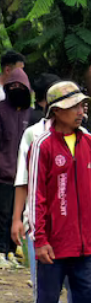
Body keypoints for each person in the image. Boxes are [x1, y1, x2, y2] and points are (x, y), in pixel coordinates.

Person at [11, 78, 91, 303]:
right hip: (51, 240)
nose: (80, 112)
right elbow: (35, 193)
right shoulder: (39, 143)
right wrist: (38, 238)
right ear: (55, 111)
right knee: (48, 299)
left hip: (85, 240)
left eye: (82, 106)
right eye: (73, 107)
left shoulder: (89, 141)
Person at [0, 66, 31, 261]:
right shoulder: (1, 110)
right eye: (13, 85)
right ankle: (2, 250)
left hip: (24, 174)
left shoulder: (31, 114)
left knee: (17, 214)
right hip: (3, 172)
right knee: (2, 214)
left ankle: (14, 250)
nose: (16, 88)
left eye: (21, 85)